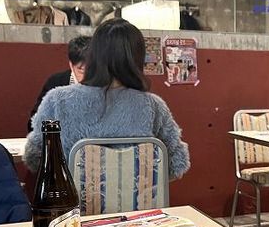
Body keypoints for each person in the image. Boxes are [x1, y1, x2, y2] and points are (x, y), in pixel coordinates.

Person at [23, 18, 190, 180]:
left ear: (93, 54)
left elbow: (34, 158)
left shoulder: (57, 100)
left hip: (72, 199)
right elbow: (176, 165)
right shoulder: (153, 106)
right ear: (137, 58)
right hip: (138, 199)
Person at [27, 35, 91, 132]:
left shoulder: (104, 83)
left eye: (91, 69)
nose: (87, 76)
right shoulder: (56, 83)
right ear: (71, 65)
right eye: (81, 70)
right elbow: (33, 123)